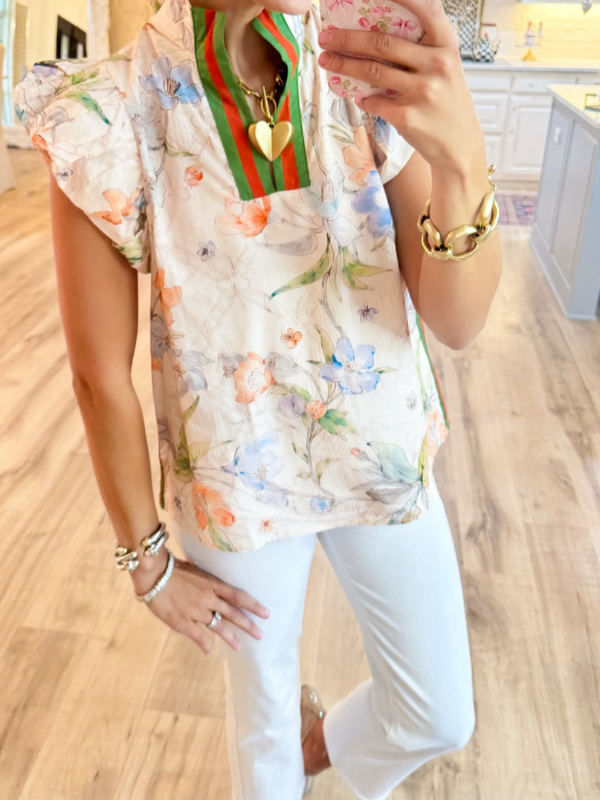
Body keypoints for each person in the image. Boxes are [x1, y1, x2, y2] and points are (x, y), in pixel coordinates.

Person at [13, 0, 502, 798]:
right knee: (262, 732)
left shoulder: (363, 68)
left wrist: (463, 163)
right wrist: (147, 563)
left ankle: (321, 746)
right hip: (234, 484)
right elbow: (98, 376)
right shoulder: (107, 112)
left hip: (379, 455)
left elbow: (458, 321)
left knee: (437, 713)